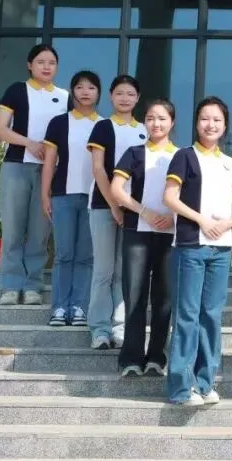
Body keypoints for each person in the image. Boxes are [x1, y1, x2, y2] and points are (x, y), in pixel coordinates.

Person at [162, 97, 232, 406]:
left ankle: (205, 382)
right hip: (190, 245)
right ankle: (180, 388)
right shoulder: (184, 157)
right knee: (187, 315)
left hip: (221, 249)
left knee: (211, 315)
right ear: (196, 123)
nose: (210, 124)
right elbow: (170, 197)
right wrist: (201, 221)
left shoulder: (230, 163)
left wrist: (228, 222)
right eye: (205, 119)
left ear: (225, 126)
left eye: (217, 120)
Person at [0, 44, 69, 306]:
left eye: (51, 63)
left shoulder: (64, 97)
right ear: (29, 65)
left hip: (50, 171)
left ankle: (33, 285)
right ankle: (11, 285)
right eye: (41, 62)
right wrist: (30, 144)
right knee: (13, 228)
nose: (47, 67)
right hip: (16, 166)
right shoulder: (17, 90)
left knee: (40, 231)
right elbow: (0, 129)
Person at [110, 98, 178, 377]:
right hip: (137, 231)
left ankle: (156, 357)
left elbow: (190, 195)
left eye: (162, 118)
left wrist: (172, 216)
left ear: (172, 122)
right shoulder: (134, 152)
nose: (156, 124)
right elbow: (116, 189)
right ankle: (131, 358)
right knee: (134, 295)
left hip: (170, 234)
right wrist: (143, 211)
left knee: (164, 298)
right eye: (150, 118)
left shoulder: (182, 155)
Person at [87, 76, 146, 350]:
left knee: (125, 271)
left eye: (130, 94)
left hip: (133, 209)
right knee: (103, 270)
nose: (125, 98)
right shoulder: (102, 127)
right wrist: (113, 204)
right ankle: (99, 329)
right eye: (120, 93)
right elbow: (98, 169)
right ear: (111, 96)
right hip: (103, 205)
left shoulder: (144, 129)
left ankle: (120, 327)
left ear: (137, 98)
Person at [40, 71, 100, 327]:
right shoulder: (59, 123)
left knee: (85, 256)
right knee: (64, 254)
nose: (85, 92)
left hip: (93, 200)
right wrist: (45, 194)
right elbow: (49, 162)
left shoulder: (104, 125)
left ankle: (79, 307)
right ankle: (59, 307)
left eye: (91, 87)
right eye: (80, 87)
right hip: (62, 196)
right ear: (72, 91)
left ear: (98, 93)